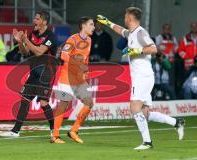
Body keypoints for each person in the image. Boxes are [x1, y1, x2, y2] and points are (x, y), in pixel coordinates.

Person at [97, 7, 184, 150]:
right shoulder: (131, 33)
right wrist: (107, 22)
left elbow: (153, 48)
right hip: (141, 76)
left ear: (130, 18)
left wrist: (136, 50)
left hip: (142, 76)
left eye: (125, 16)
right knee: (145, 113)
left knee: (134, 108)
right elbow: (120, 30)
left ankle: (147, 143)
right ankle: (176, 122)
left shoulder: (140, 32)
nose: (124, 18)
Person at [0, 11, 58, 139]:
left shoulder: (50, 36)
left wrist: (25, 39)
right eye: (34, 18)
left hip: (46, 72)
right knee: (25, 100)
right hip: (34, 71)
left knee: (43, 103)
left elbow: (39, 52)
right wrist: (20, 42)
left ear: (44, 22)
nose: (34, 20)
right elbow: (25, 53)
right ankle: (15, 131)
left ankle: (54, 129)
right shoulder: (32, 34)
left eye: (37, 19)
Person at [51, 17, 95, 144]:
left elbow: (86, 59)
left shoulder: (89, 40)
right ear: (83, 26)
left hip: (79, 79)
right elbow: (64, 55)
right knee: (63, 105)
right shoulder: (73, 39)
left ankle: (74, 131)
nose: (93, 27)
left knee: (89, 103)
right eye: (91, 24)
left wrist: (85, 71)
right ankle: (55, 135)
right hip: (66, 77)